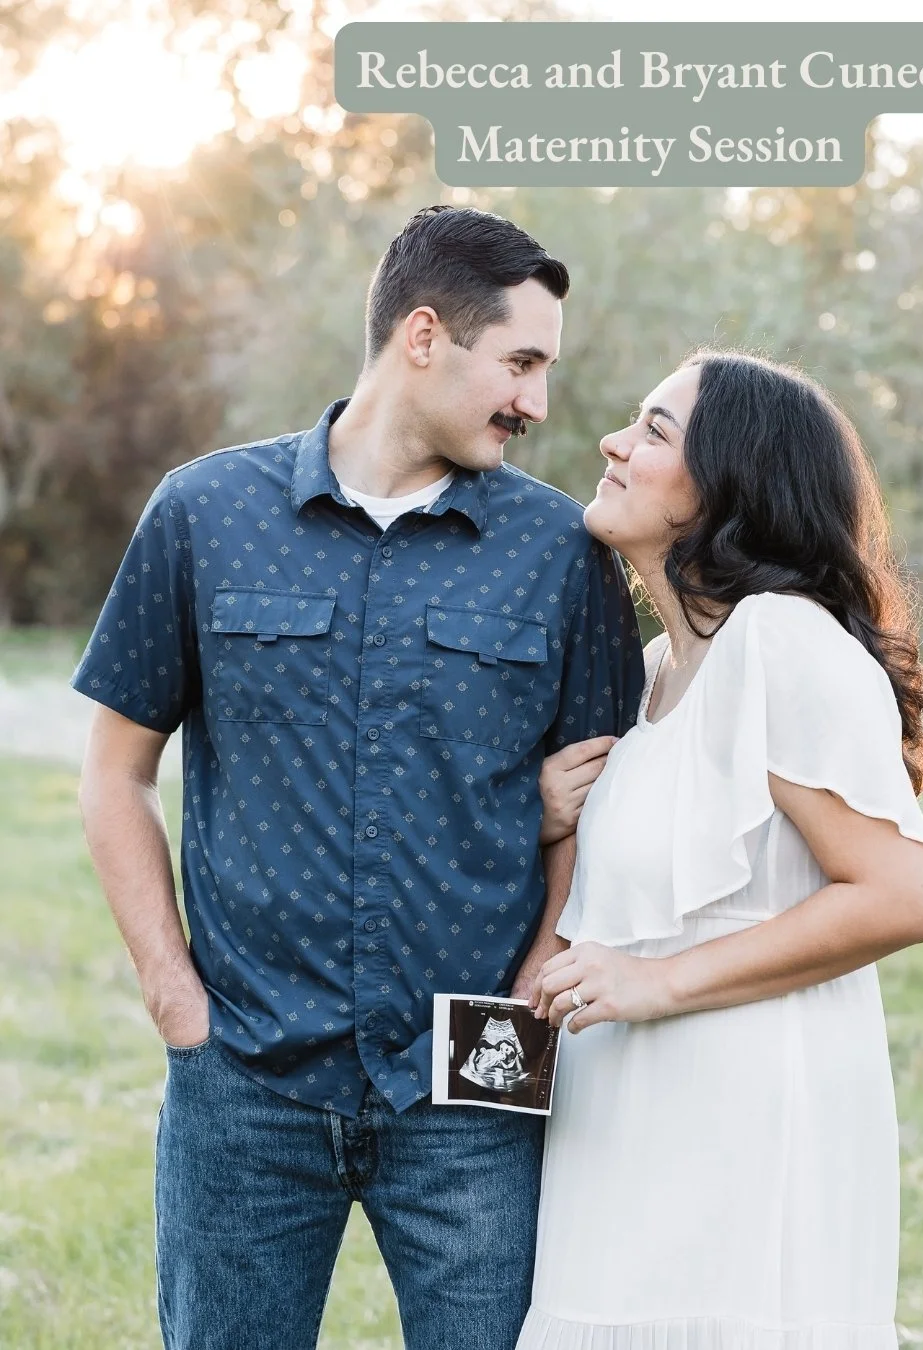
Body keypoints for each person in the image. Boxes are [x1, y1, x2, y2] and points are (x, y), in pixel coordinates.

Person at [71, 204, 644, 1350]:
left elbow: (601, 801)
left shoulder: (562, 553)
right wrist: (175, 998)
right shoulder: (203, 514)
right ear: (423, 336)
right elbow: (114, 773)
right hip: (244, 1072)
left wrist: (528, 994)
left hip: (475, 1077)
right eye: (520, 363)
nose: (538, 403)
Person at [516, 350, 923, 1350]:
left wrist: (655, 982)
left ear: (730, 486)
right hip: (621, 1122)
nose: (613, 444)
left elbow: (901, 894)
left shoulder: (781, 642)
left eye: (654, 431)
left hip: (742, 1126)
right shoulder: (654, 670)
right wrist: (543, 822)